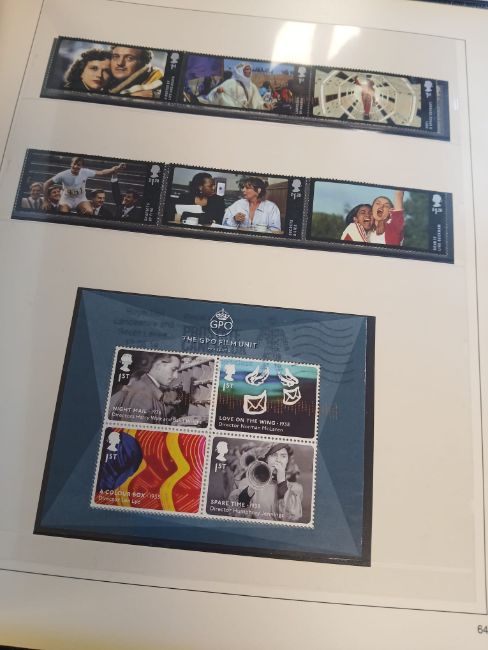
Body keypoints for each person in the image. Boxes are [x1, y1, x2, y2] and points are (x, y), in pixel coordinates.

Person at [229, 443, 303, 522]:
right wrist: (256, 482)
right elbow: (235, 511)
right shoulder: (247, 482)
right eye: (274, 455)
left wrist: (282, 482)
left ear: (287, 460)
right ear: (267, 459)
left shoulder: (295, 488)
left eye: (283, 456)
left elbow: (291, 517)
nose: (278, 460)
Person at [109, 353, 181, 422]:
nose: (176, 376)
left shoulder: (145, 387)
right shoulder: (143, 395)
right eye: (173, 369)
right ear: (158, 365)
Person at [43, 157, 125, 216]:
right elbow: (46, 183)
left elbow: (102, 172)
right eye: (74, 164)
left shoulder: (85, 172)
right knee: (63, 214)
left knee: (89, 212)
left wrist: (114, 168)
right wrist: (45, 200)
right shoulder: (63, 174)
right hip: (67, 199)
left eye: (78, 165)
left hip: (80, 198)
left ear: (81, 166)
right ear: (71, 164)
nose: (76, 166)